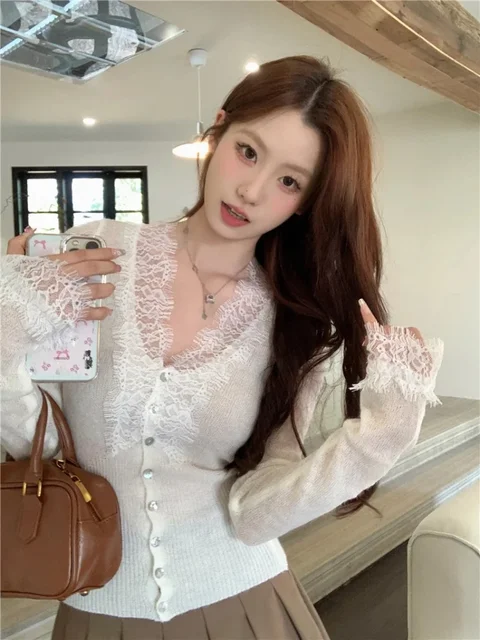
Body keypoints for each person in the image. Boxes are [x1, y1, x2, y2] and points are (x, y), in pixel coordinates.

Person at [1, 55, 444, 639]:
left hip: (245, 604)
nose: (251, 191)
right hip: (99, 607)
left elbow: (255, 512)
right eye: (248, 151)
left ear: (306, 202)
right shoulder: (96, 253)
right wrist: (8, 323)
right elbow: (40, 445)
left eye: (289, 181)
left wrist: (378, 440)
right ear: (217, 131)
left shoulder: (294, 325)